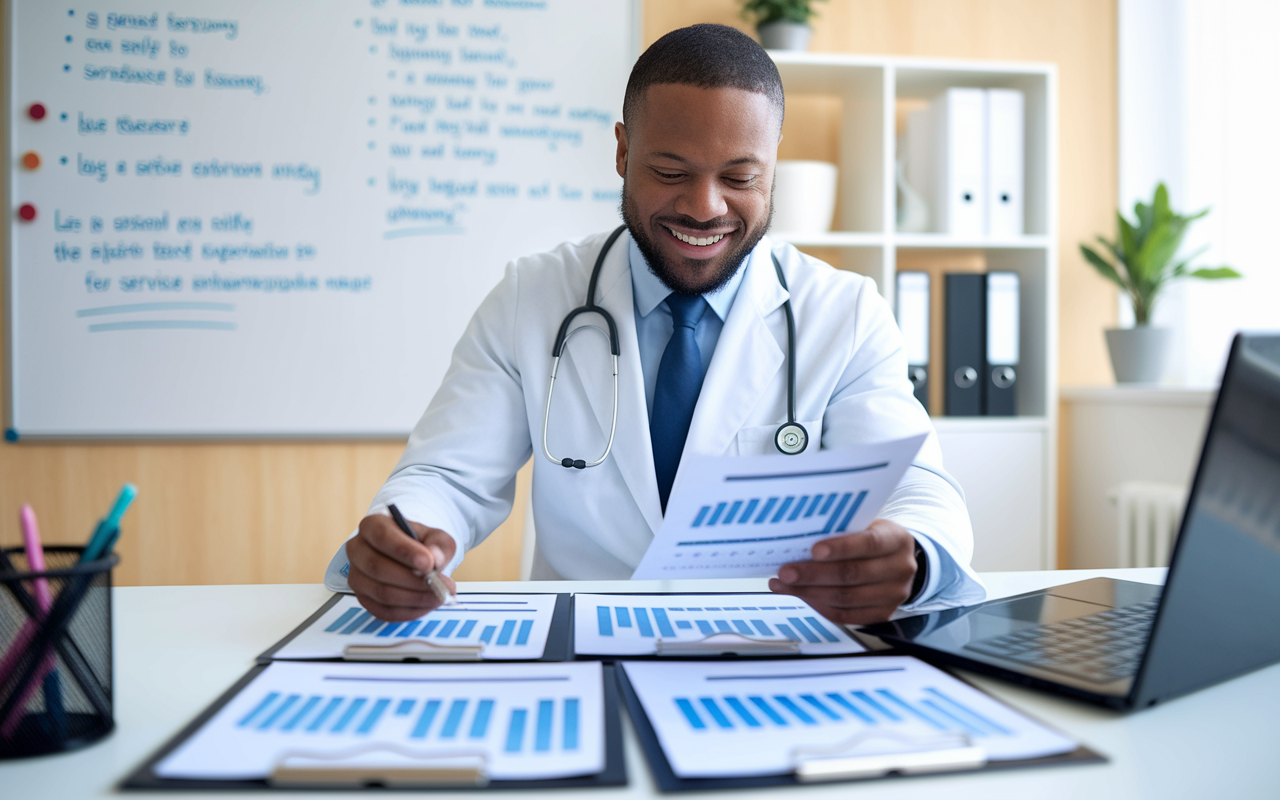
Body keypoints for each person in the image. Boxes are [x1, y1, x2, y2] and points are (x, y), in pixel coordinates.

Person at [325, 24, 985, 624]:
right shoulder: (533, 295)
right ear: (622, 151)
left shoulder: (843, 312)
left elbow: (917, 487)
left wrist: (916, 556)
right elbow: (448, 477)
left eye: (739, 176)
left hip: (766, 649)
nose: (705, 207)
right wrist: (407, 536)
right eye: (671, 171)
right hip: (586, 651)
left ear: (774, 163)